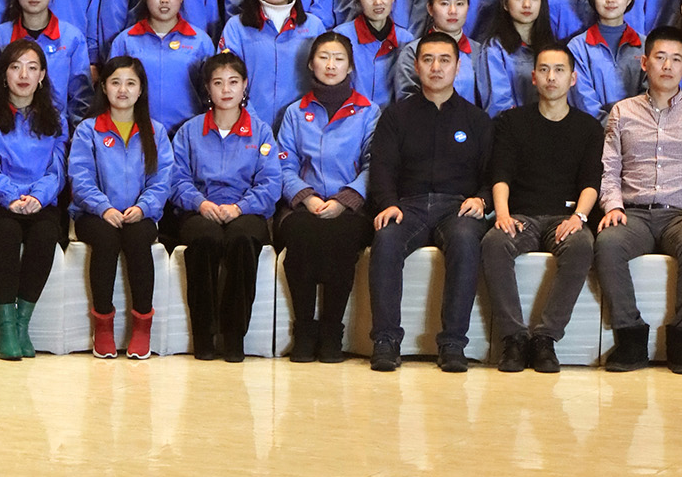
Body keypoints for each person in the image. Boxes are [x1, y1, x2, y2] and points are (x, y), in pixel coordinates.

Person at [593, 31, 682, 374]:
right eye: (660, 57)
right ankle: (630, 338)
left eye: (676, 59)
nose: (667, 66)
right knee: (608, 242)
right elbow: (609, 169)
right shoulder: (623, 111)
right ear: (645, 62)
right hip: (634, 213)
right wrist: (613, 206)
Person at [364, 32, 498, 372]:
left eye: (444, 60)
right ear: (416, 66)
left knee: (466, 240)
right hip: (407, 205)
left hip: (457, 207)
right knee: (386, 239)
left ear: (458, 67)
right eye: (428, 60)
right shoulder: (396, 116)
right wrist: (387, 202)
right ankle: (385, 340)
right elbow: (381, 168)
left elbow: (492, 174)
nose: (436, 67)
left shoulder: (477, 120)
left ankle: (453, 343)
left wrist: (482, 200)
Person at [472, 38, 602, 371]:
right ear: (533, 77)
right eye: (544, 70)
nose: (551, 77)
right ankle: (514, 338)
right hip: (521, 215)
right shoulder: (512, 122)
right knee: (494, 242)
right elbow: (500, 174)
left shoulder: (588, 127)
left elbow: (591, 182)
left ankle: (546, 338)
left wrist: (578, 217)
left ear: (573, 78)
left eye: (559, 70)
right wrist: (502, 214)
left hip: (566, 215)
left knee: (581, 244)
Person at [270, 33, 381, 363]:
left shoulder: (369, 112)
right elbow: (283, 163)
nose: (331, 65)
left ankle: (332, 331)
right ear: (310, 64)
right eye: (323, 57)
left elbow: (374, 164)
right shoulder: (295, 112)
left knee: (341, 239)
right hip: (304, 205)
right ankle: (305, 330)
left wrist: (345, 200)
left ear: (350, 67)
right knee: (302, 235)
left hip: (351, 208)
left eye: (339, 58)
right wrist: (306, 197)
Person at [169, 51, 286, 363]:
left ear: (245, 85)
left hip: (246, 212)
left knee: (242, 240)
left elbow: (271, 183)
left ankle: (234, 336)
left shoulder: (260, 131)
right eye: (218, 82)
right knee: (205, 239)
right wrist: (200, 202)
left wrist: (240, 207)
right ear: (207, 87)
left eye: (233, 82)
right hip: (200, 209)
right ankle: (204, 335)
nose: (226, 90)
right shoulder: (189, 131)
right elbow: (176, 179)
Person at [0, 39, 70, 361]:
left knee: (46, 233)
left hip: (39, 200)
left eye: (32, 67)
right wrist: (11, 197)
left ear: (42, 76)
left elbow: (57, 170)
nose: (23, 75)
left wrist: (38, 197)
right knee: (8, 232)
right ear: (3, 75)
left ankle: (22, 323)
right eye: (15, 67)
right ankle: (6, 329)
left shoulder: (56, 120)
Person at [67, 54, 168, 359]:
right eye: (115, 83)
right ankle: (103, 326)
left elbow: (162, 181)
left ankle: (142, 326)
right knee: (106, 239)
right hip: (94, 213)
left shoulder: (156, 132)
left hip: (141, 212)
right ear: (104, 87)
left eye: (130, 83)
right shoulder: (88, 130)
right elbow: (80, 177)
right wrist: (104, 207)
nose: (122, 90)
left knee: (138, 239)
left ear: (141, 89)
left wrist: (143, 207)